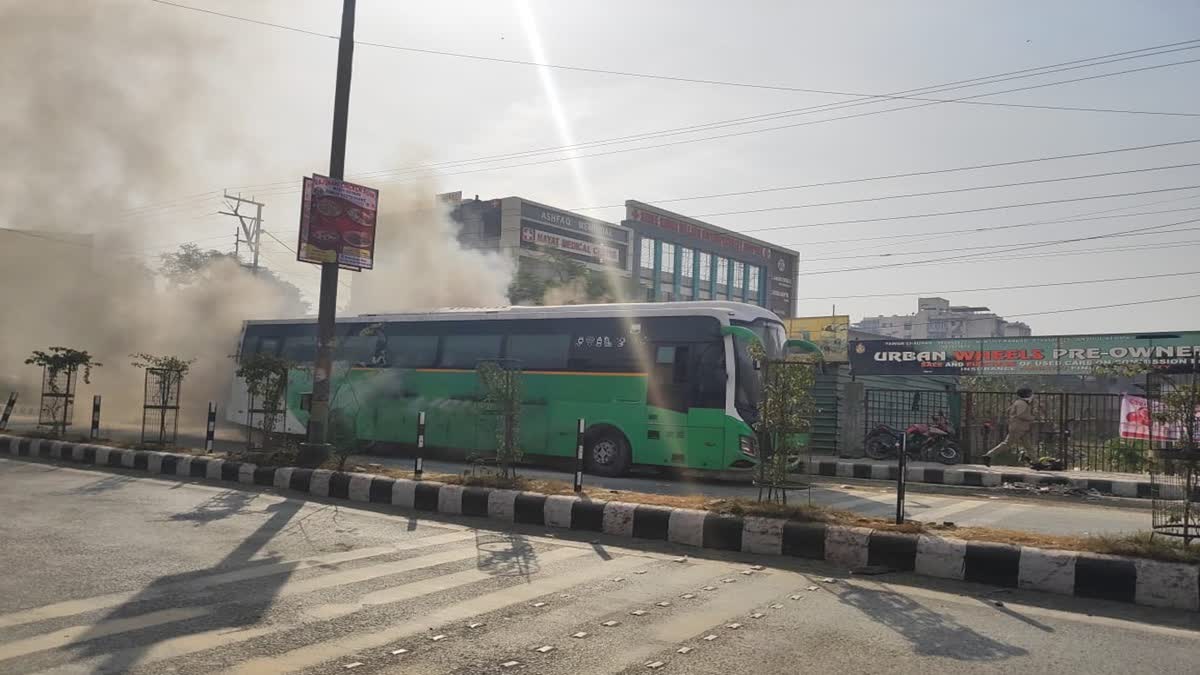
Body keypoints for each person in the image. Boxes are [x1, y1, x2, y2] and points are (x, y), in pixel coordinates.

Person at [983, 388, 1036, 467]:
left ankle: (1036, 462)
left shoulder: (1019, 402)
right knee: (1007, 444)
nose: (1032, 395)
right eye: (1030, 394)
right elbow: (1020, 415)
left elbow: (1010, 411)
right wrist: (1031, 418)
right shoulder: (1022, 403)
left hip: (1021, 428)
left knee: (1028, 446)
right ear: (1026, 395)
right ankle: (988, 455)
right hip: (1018, 428)